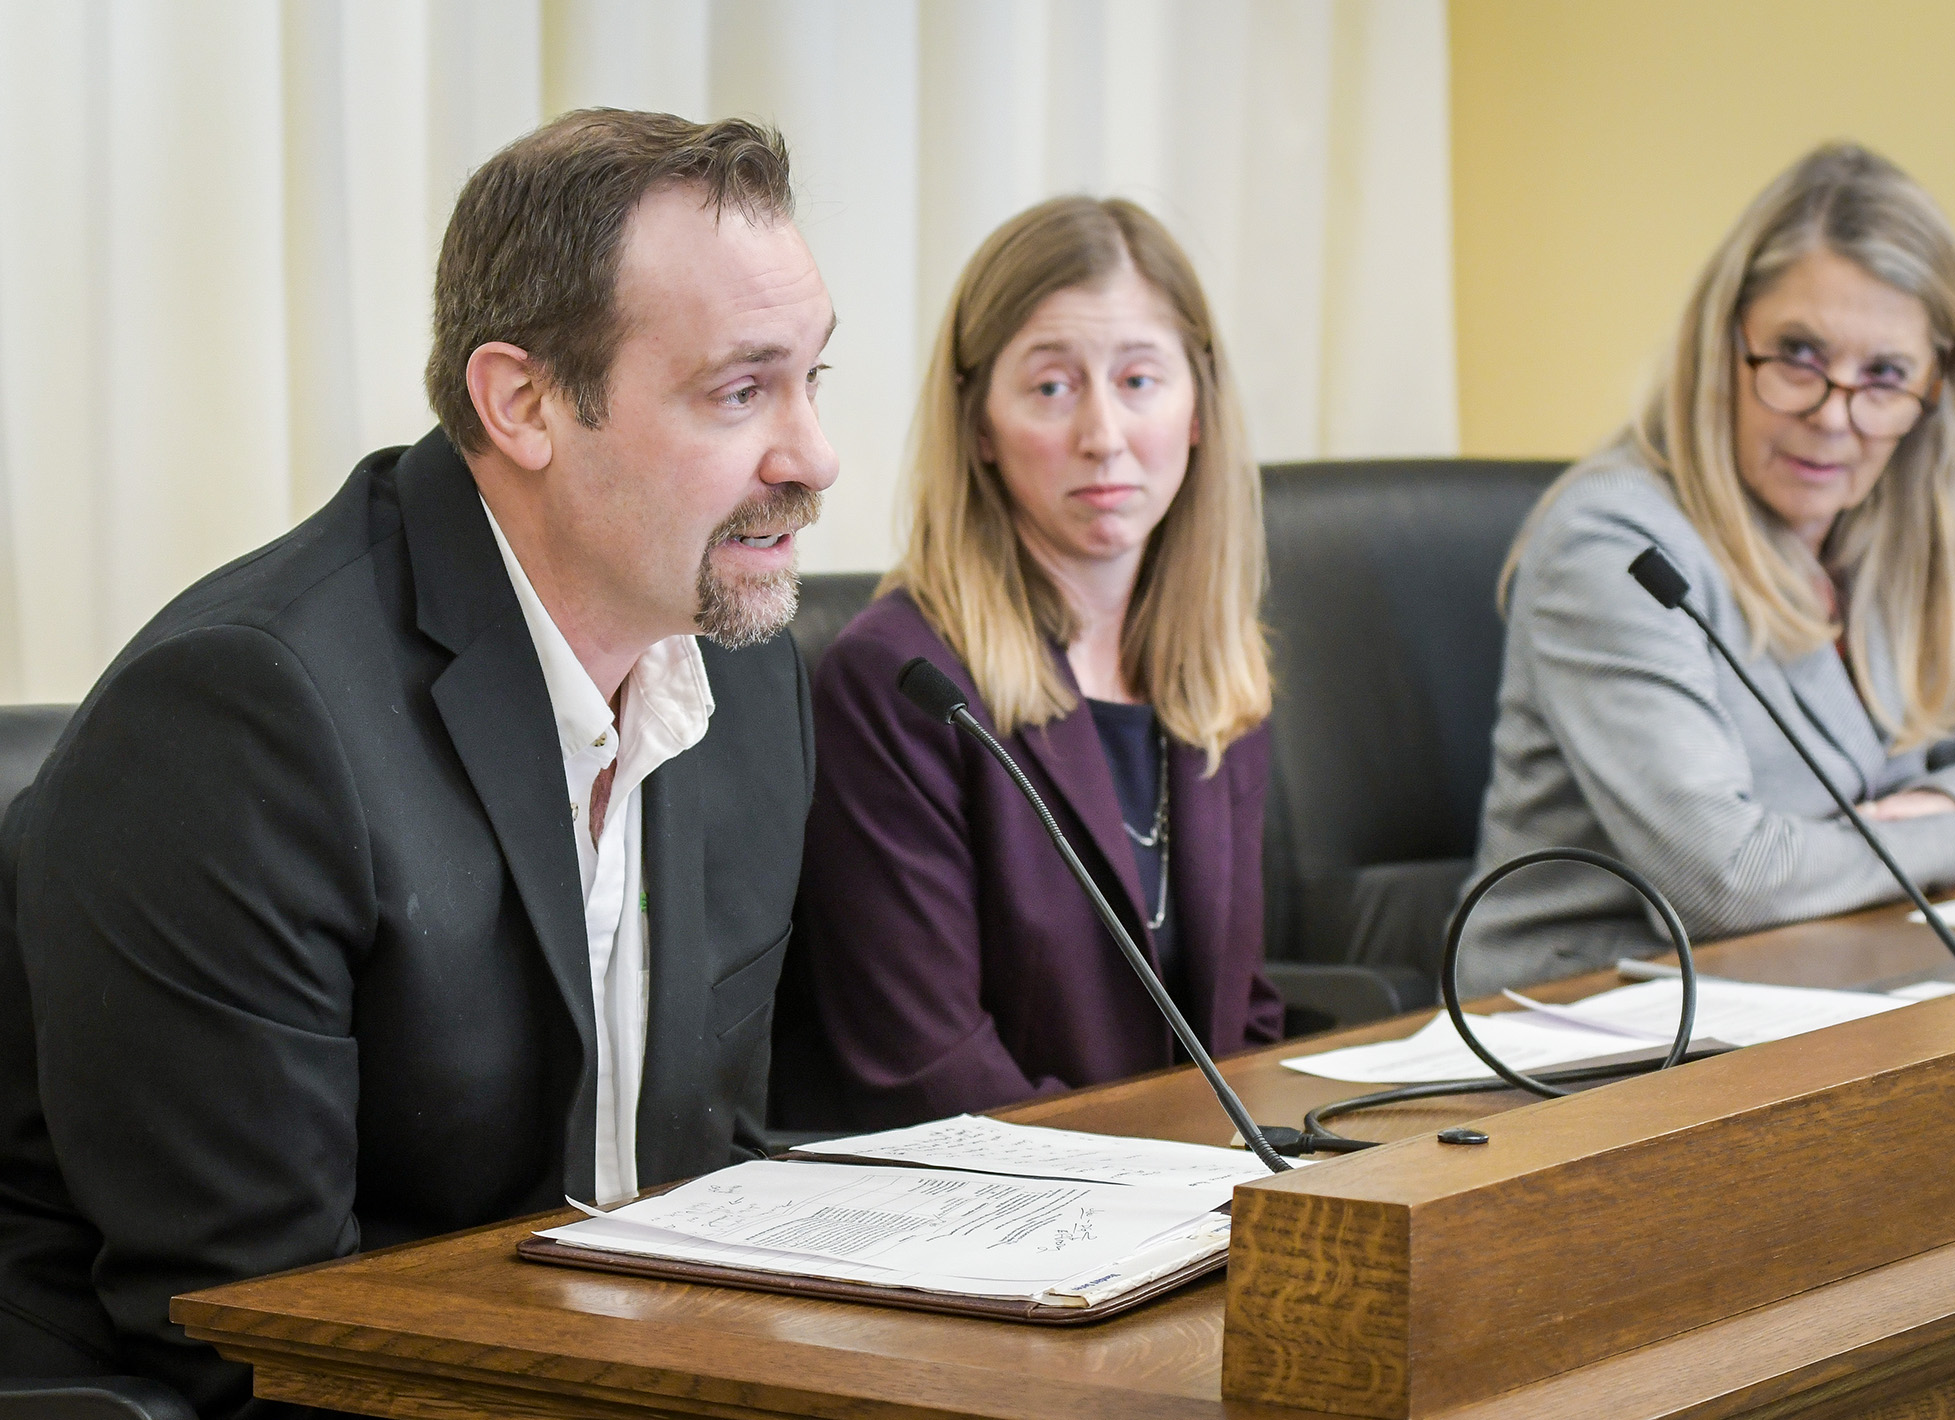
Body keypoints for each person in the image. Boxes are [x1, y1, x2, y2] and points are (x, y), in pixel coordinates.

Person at [0, 109, 837, 1416]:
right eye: (740, 392)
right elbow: (256, 1331)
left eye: (812, 380)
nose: (813, 459)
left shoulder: (738, 664)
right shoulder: (246, 721)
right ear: (525, 402)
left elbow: (701, 1175)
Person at [1459, 143, 1955, 996]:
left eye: (1883, 376)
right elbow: (1724, 882)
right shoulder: (1618, 543)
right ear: (1721, 343)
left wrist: (1948, 806)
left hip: (1832, 987)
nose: (1836, 417)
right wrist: (1948, 850)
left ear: (1934, 392)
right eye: (1798, 354)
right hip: (1586, 1027)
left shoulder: (1877, 542)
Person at [772, 196, 1280, 1129]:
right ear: (977, 427)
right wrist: (1176, 1190)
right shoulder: (900, 682)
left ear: (1199, 406)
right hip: (1014, 1227)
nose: (1104, 434)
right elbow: (927, 1073)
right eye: (1052, 387)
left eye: (1139, 379)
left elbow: (1239, 1021)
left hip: (1198, 1208)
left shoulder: (1218, 676)